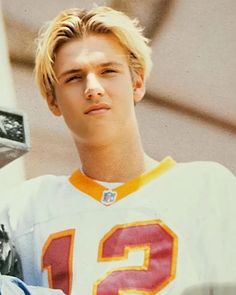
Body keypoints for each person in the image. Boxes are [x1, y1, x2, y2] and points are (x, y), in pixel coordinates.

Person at [1, 5, 236, 295]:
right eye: (74, 77)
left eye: (108, 71)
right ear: (52, 100)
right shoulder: (24, 210)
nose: (93, 88)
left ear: (137, 83)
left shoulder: (209, 188)